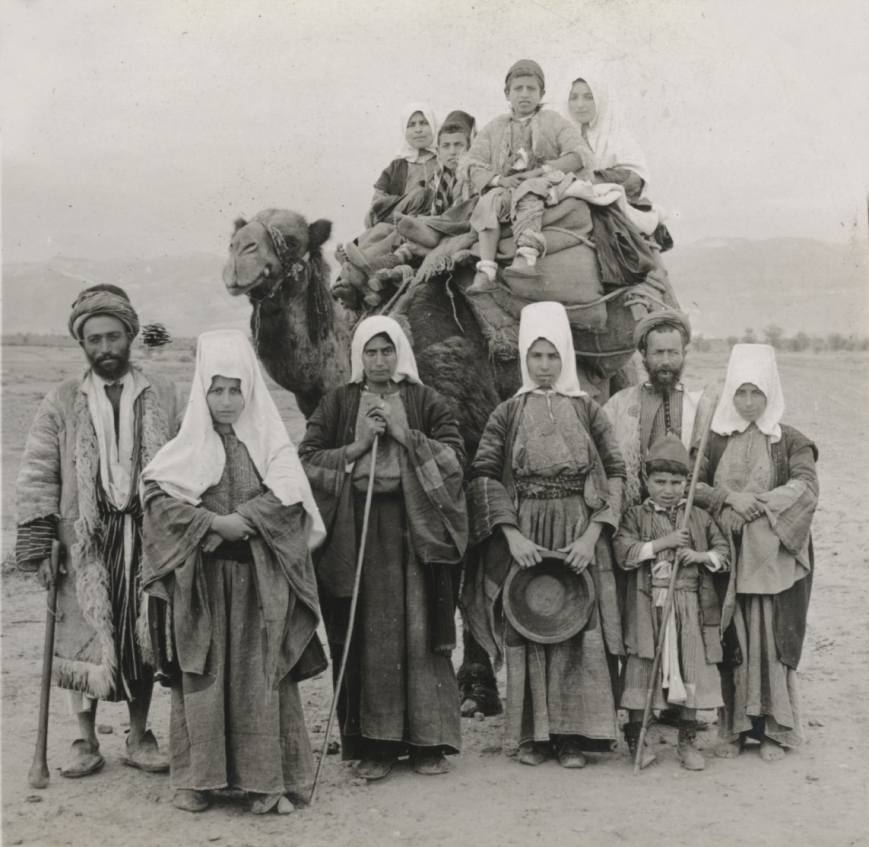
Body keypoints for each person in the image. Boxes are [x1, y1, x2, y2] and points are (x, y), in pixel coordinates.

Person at [140, 330, 327, 814]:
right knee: (200, 680)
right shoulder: (184, 448)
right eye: (216, 390)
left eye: (235, 389)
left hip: (257, 585)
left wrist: (246, 520)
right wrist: (211, 523)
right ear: (202, 391)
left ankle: (269, 784)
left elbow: (290, 501)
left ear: (250, 391)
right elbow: (159, 505)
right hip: (200, 585)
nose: (226, 401)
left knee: (261, 680)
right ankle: (196, 782)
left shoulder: (270, 445)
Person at [15, 284, 183, 777]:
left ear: (130, 335)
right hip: (82, 537)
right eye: (94, 340)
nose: (105, 348)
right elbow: (38, 471)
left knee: (144, 632)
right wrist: (39, 537)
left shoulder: (165, 395)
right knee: (81, 631)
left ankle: (138, 734)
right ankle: (83, 739)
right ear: (81, 344)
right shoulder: (62, 400)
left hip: (146, 535)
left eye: (113, 337)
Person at [299, 316, 467, 780]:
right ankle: (374, 746)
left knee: (420, 634)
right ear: (359, 356)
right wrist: (355, 448)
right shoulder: (338, 402)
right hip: (359, 531)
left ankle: (428, 743)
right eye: (370, 352)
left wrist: (402, 435)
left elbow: (455, 460)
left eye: (386, 351)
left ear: (400, 354)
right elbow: (307, 460)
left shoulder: (424, 399)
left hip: (415, 531)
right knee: (368, 638)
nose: (378, 361)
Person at [463, 301, 625, 768]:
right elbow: (485, 475)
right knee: (530, 623)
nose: (545, 366)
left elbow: (616, 472)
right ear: (522, 358)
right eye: (536, 356)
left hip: (578, 527)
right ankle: (534, 736)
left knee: (575, 626)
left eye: (553, 356)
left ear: (567, 358)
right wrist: (511, 535)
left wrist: (592, 534)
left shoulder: (587, 409)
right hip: (528, 529)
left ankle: (574, 737)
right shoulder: (507, 413)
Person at [694, 344, 818, 762]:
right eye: (741, 392)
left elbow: (805, 487)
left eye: (756, 393)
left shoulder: (791, 441)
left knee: (769, 642)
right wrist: (727, 497)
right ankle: (733, 729)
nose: (748, 403)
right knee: (732, 640)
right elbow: (694, 485)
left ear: (771, 393)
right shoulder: (714, 438)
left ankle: (773, 732)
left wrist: (756, 504)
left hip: (772, 564)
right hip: (728, 558)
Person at [613, 434, 730, 770]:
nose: (668, 489)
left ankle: (688, 743)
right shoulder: (635, 515)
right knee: (642, 668)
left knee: (691, 664)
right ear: (646, 481)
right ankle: (637, 741)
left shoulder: (699, 516)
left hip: (689, 606)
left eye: (676, 482)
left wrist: (698, 554)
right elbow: (623, 552)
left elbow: (724, 555)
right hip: (648, 605)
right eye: (660, 481)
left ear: (686, 482)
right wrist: (662, 542)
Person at [464, 60, 593, 293]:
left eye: (531, 89)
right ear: (507, 93)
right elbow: (472, 164)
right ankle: (486, 269)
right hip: (506, 186)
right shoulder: (495, 127)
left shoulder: (552, 120)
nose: (525, 95)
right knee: (489, 201)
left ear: (541, 93)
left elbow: (579, 154)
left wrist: (539, 171)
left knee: (530, 188)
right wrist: (500, 181)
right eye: (518, 89)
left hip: (545, 183)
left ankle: (527, 255)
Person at [604, 309, 716, 511]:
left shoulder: (702, 406)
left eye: (673, 353)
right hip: (631, 514)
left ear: (684, 355)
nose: (666, 361)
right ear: (644, 355)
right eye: (658, 353)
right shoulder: (619, 404)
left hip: (689, 512)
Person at [561, 67, 650, 201]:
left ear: (600, 98)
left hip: (610, 202)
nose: (580, 104)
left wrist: (593, 181)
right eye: (573, 98)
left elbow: (636, 179)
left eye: (589, 97)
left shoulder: (617, 131)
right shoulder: (559, 133)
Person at [364, 103, 439, 229]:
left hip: (434, 222)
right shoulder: (396, 167)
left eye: (424, 123)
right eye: (411, 125)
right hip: (398, 224)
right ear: (404, 129)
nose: (418, 129)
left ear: (433, 125)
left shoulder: (444, 162)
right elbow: (378, 205)